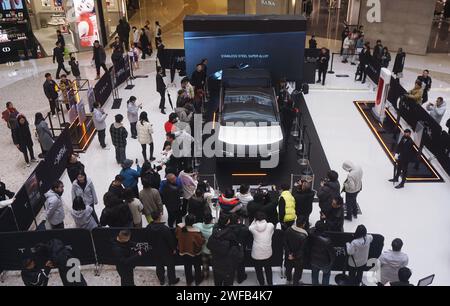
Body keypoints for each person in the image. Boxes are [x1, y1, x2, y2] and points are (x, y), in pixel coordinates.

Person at [207, 214, 244, 286]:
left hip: (216, 265)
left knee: (217, 283)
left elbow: (209, 246)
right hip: (228, 267)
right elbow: (238, 255)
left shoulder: (214, 234)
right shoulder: (232, 237)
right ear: (227, 222)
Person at [147, 210, 180, 285]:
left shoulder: (148, 227)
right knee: (170, 265)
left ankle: (161, 280)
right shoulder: (165, 228)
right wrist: (173, 249)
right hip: (166, 251)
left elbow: (147, 238)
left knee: (159, 265)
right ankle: (172, 280)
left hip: (155, 250)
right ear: (159, 217)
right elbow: (170, 240)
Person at [176, 214, 205, 286]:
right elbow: (200, 242)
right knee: (197, 266)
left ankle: (189, 280)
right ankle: (197, 280)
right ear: (193, 222)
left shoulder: (179, 228)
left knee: (187, 267)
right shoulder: (195, 232)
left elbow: (176, 236)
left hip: (183, 251)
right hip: (194, 253)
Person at [249, 212, 274, 286]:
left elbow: (250, 227)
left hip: (256, 254)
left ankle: (261, 283)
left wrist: (254, 221)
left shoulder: (252, 228)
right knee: (268, 270)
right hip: (267, 253)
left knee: (258, 270)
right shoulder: (270, 225)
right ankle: (270, 283)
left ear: (255, 219)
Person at [284, 215, 309, 285]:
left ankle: (288, 280)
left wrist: (289, 254)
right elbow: (301, 249)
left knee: (288, 268)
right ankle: (295, 282)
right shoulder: (304, 235)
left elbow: (285, 243)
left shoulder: (288, 229)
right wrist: (294, 255)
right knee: (298, 271)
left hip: (288, 255)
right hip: (298, 257)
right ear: (304, 224)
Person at [309, 221, 335, 285]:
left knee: (314, 276)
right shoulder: (327, 241)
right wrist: (331, 263)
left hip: (314, 261)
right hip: (325, 263)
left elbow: (311, 230)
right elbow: (332, 254)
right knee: (326, 275)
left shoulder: (311, 235)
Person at [193, 213, 215, 279]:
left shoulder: (198, 226)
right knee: (214, 264)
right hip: (212, 251)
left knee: (205, 264)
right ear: (211, 220)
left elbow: (193, 225)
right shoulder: (214, 229)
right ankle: (216, 275)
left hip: (203, 249)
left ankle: (206, 276)